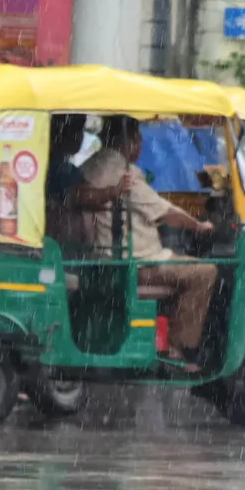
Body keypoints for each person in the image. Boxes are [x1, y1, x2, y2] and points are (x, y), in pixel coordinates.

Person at [82, 116, 217, 368]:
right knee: (206, 272)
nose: (141, 145)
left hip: (106, 260)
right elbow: (166, 212)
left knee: (188, 265)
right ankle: (179, 348)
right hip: (135, 263)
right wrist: (199, 225)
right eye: (139, 139)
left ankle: (170, 338)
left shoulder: (91, 166)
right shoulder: (122, 172)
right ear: (130, 141)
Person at [45, 114, 130, 251]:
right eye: (78, 130)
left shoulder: (62, 165)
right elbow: (81, 196)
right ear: (61, 133)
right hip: (63, 243)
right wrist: (113, 191)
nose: (80, 137)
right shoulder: (59, 169)